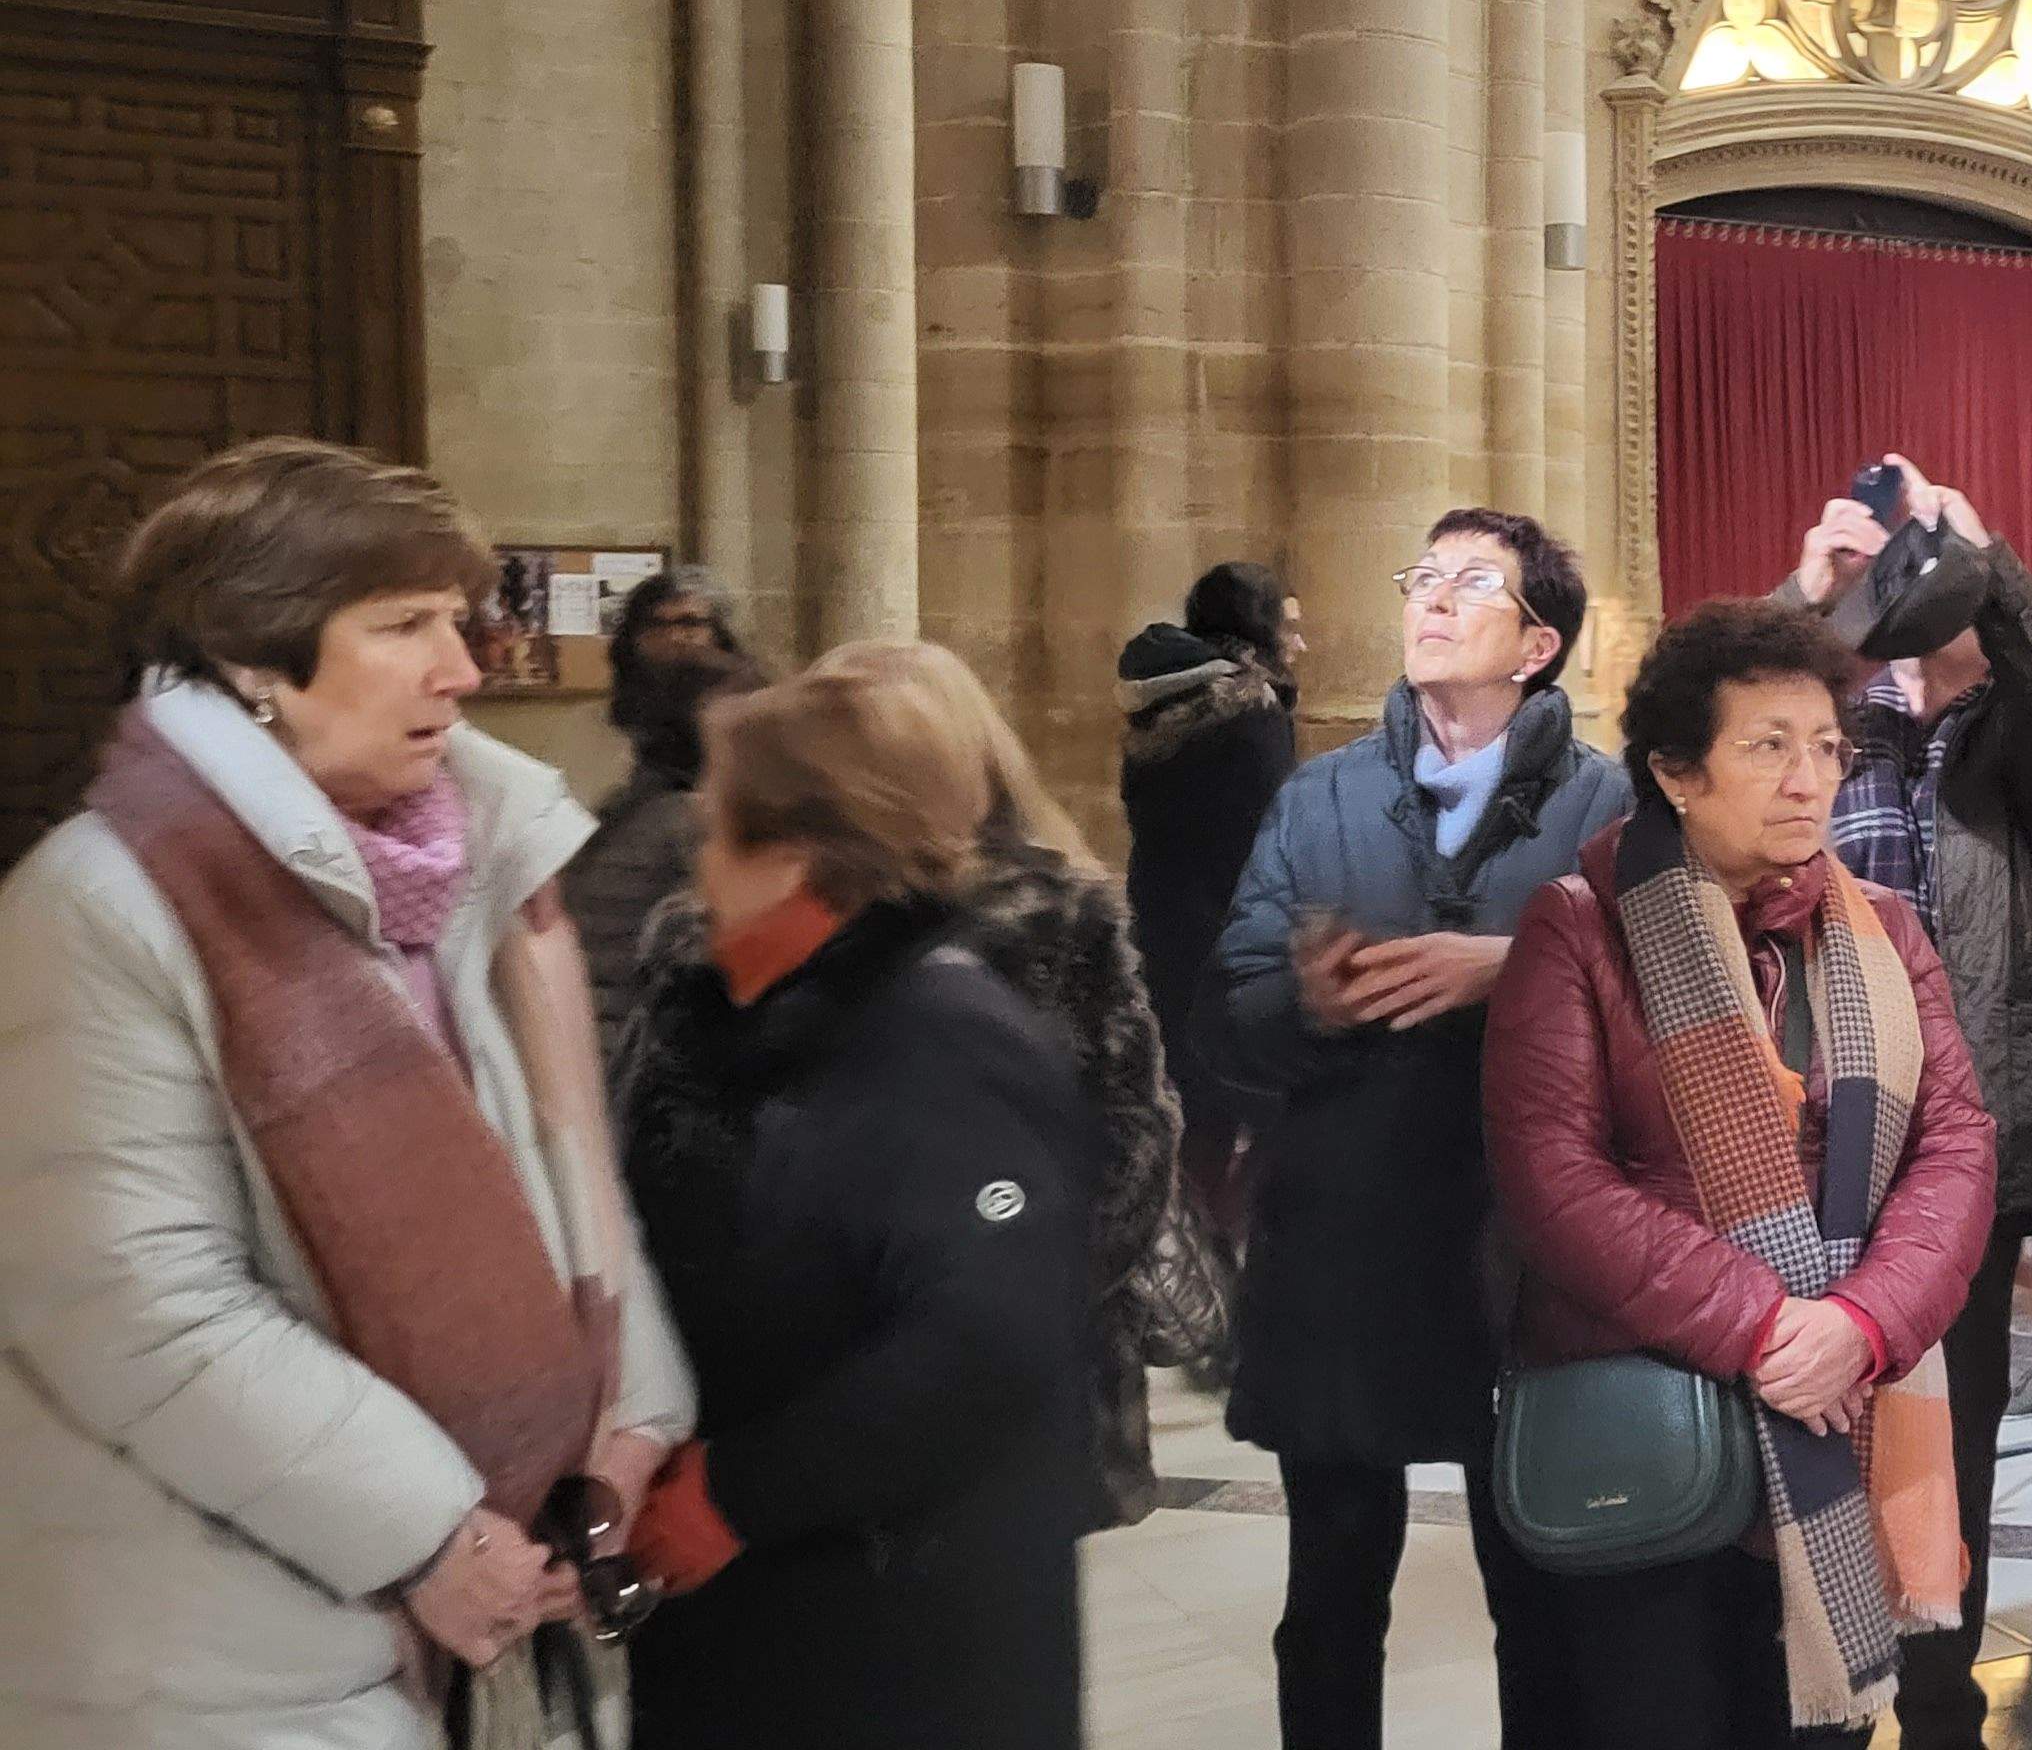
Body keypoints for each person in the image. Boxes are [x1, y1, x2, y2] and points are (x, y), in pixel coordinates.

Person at [0, 437, 693, 1745]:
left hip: (486, 1598)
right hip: (231, 1629)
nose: (464, 668)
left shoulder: (481, 871)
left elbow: (570, 1181)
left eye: (458, 618)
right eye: (403, 625)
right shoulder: (93, 903)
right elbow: (136, 1303)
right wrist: (430, 1531)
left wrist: (627, 1419)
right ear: (255, 662)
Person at [1482, 598, 1997, 1746]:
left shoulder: (1886, 931)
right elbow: (1552, 1182)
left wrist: (1861, 1325)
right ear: (1676, 771)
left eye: (1825, 749)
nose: (1809, 779)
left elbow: (1956, 1147)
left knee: (1819, 1732)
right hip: (1657, 1413)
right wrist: (1768, 1331)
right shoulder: (1577, 928)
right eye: (1768, 747)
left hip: (1850, 1401)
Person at [614, 662, 1098, 1750]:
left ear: (792, 858)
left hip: (899, 1646)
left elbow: (986, 1338)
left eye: (716, 834)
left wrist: (734, 1495)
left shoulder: (941, 1034)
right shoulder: (763, 1032)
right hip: (777, 1628)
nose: (697, 868)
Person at [1203, 510, 1623, 1749]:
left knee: (1539, 1598)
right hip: (1346, 1239)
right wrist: (1306, 998)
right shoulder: (1320, 794)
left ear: (1535, 645)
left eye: (1470, 583)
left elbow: (1667, 1000)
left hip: (1521, 1256)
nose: (1431, 600)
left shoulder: (1602, 806)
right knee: (1331, 1602)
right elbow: (1228, 1007)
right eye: (1422, 576)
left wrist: (1515, 963)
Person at [624, 639, 1187, 1531]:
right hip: (774, 1396)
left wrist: (1000, 1315)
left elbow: (1128, 1143)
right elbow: (662, 1155)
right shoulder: (710, 939)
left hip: (998, 1387)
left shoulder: (1050, 925)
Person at [1785, 455, 2032, 1748]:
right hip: (1808, 1155)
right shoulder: (1812, 738)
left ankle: (1935, 1710)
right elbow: (1697, 740)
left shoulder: (2008, 761)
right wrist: (1809, 596)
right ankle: (1815, 1707)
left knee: (1947, 1460)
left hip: (1961, 1166)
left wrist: (1988, 551)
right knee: (1807, 1452)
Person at [1123, 561, 1305, 1265]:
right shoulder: (1251, 715)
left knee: (1201, 1114)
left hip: (1165, 927)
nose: (1301, 644)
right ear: (1259, 628)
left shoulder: (1160, 707)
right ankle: (1226, 1266)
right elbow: (1264, 841)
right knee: (1280, 1110)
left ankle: (1197, 1265)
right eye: (1290, 626)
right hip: (1231, 942)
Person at [569, 568, 764, 1049]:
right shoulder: (681, 817)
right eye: (661, 625)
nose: (678, 638)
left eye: (692, 623)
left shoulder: (675, 809)